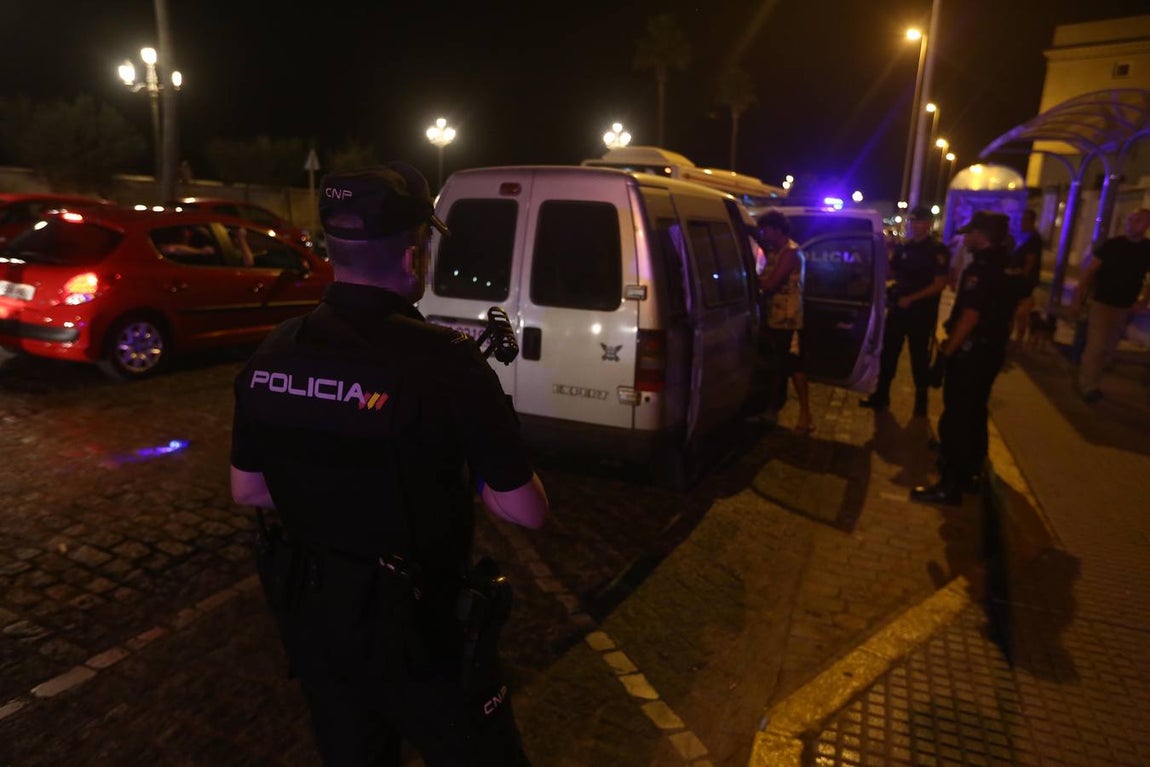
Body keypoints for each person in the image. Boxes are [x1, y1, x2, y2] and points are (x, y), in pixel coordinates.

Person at [229, 162, 549, 766]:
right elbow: (525, 510)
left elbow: (247, 491)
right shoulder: (447, 361)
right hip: (423, 637)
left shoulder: (275, 349)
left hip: (320, 627)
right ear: (413, 257)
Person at [911, 211, 1014, 506]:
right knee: (975, 413)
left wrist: (946, 354)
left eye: (970, 233)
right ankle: (971, 473)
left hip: (971, 353)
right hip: (991, 351)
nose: (965, 238)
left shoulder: (979, 270)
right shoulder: (1005, 266)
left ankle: (950, 485)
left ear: (982, 235)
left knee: (957, 418)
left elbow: (969, 318)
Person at [860, 206, 950, 416]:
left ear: (928, 224)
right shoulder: (904, 248)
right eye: (913, 221)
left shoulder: (936, 251)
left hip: (921, 313)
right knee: (889, 354)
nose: (915, 225)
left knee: (919, 359)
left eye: (920, 221)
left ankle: (921, 404)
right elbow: (892, 272)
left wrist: (911, 299)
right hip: (899, 309)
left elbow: (939, 284)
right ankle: (881, 396)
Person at [1071, 207, 1150, 403]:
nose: (1133, 224)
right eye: (1132, 219)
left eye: (1139, 220)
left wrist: (1144, 300)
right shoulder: (1113, 245)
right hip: (1102, 302)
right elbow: (1090, 271)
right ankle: (1088, 386)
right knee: (1096, 346)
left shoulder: (1147, 249)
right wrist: (1078, 298)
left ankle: (1092, 379)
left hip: (1125, 306)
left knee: (1108, 348)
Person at [753, 209, 813, 434]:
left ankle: (805, 416)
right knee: (779, 366)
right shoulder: (777, 251)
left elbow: (770, 284)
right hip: (777, 317)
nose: (763, 234)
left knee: (792, 366)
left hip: (788, 320)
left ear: (776, 230)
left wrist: (746, 278)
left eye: (765, 229)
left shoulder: (789, 253)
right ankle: (773, 410)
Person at [1007, 209, 1043, 345]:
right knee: (1016, 311)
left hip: (1024, 282)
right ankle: (1015, 338)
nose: (1021, 223)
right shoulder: (1025, 237)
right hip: (1020, 280)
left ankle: (1019, 339)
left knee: (1020, 312)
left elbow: (1030, 261)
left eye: (1024, 220)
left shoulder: (1033, 239)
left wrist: (1022, 277)